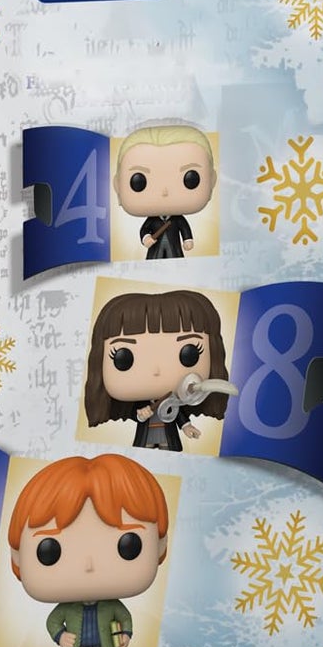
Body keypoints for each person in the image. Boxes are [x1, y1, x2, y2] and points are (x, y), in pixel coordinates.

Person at [9, 454, 169, 647]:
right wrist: (60, 636)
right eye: (49, 551)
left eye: (128, 546)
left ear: (160, 544)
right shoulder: (67, 608)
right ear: (17, 555)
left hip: (104, 646)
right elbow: (53, 621)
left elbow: (125, 618)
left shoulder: (112, 605)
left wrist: (126, 634)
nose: (89, 565)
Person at [82, 288, 231, 452]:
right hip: (146, 438)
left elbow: (179, 415)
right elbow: (135, 415)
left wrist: (187, 426)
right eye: (123, 358)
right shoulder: (141, 402)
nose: (156, 370)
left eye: (189, 354)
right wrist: (140, 415)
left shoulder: (173, 400)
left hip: (168, 437)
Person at [113, 123, 216, 259]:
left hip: (175, 252)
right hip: (155, 254)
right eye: (139, 182)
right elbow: (144, 230)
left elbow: (184, 228)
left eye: (190, 179)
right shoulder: (152, 220)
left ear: (212, 180)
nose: (165, 192)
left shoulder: (178, 219)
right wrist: (146, 238)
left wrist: (188, 239)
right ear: (117, 185)